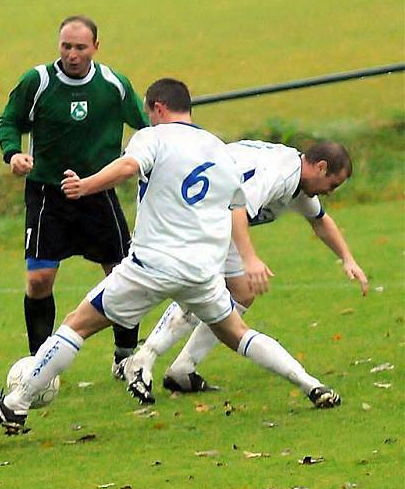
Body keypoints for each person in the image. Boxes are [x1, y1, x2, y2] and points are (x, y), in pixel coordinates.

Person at [0, 78, 340, 429]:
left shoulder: (154, 137)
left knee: (77, 324)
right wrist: (248, 257)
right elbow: (237, 206)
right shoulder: (219, 149)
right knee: (238, 333)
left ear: (157, 107)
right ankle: (309, 384)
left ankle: (16, 404)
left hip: (151, 265)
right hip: (201, 272)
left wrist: (86, 185)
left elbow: (128, 166)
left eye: (147, 111)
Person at [126, 139, 368, 403]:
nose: (330, 192)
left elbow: (320, 220)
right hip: (194, 213)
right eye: (333, 185)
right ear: (321, 167)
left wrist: (348, 259)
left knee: (241, 292)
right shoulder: (281, 175)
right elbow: (236, 208)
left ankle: (183, 369)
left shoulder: (298, 182)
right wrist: (250, 258)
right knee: (200, 289)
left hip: (211, 216)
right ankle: (143, 358)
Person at [0, 14, 149, 376]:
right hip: (48, 195)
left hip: (98, 192)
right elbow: (9, 121)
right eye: (66, 46)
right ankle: (40, 365)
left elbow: (146, 128)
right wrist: (12, 153)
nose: (72, 54)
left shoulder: (113, 84)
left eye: (80, 47)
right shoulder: (38, 81)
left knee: (122, 274)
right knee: (38, 280)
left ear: (96, 47)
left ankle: (125, 355)